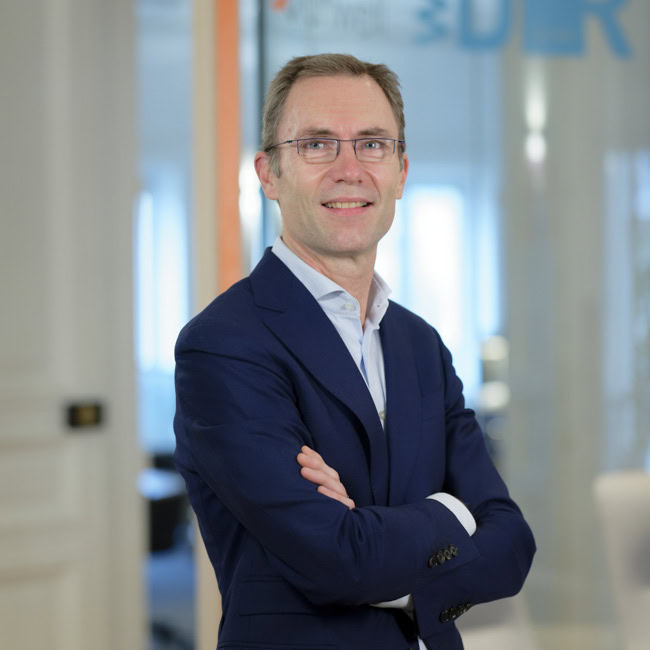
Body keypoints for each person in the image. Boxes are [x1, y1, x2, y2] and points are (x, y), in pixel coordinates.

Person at [174, 53, 535, 650]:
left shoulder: (420, 344)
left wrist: (367, 532)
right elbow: (340, 560)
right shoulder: (223, 346)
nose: (350, 169)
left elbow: (513, 545)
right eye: (317, 144)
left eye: (372, 144)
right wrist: (452, 513)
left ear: (401, 172)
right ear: (269, 174)